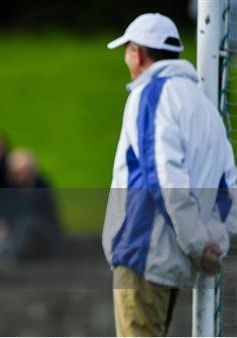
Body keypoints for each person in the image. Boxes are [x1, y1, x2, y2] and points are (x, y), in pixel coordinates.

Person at [102, 13, 237, 336]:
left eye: (126, 51)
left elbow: (162, 178)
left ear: (138, 53)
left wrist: (198, 243)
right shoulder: (206, 107)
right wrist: (214, 242)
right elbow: (228, 187)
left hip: (144, 253)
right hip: (178, 261)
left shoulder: (148, 94)